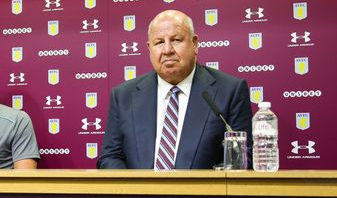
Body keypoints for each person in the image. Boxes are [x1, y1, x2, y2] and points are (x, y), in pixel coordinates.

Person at [98, 10, 252, 169]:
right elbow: (110, 156)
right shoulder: (124, 96)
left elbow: (243, 158)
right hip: (140, 193)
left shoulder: (229, 91)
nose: (167, 50)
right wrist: (135, 189)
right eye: (159, 43)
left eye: (176, 40)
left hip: (202, 193)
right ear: (149, 48)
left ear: (194, 43)